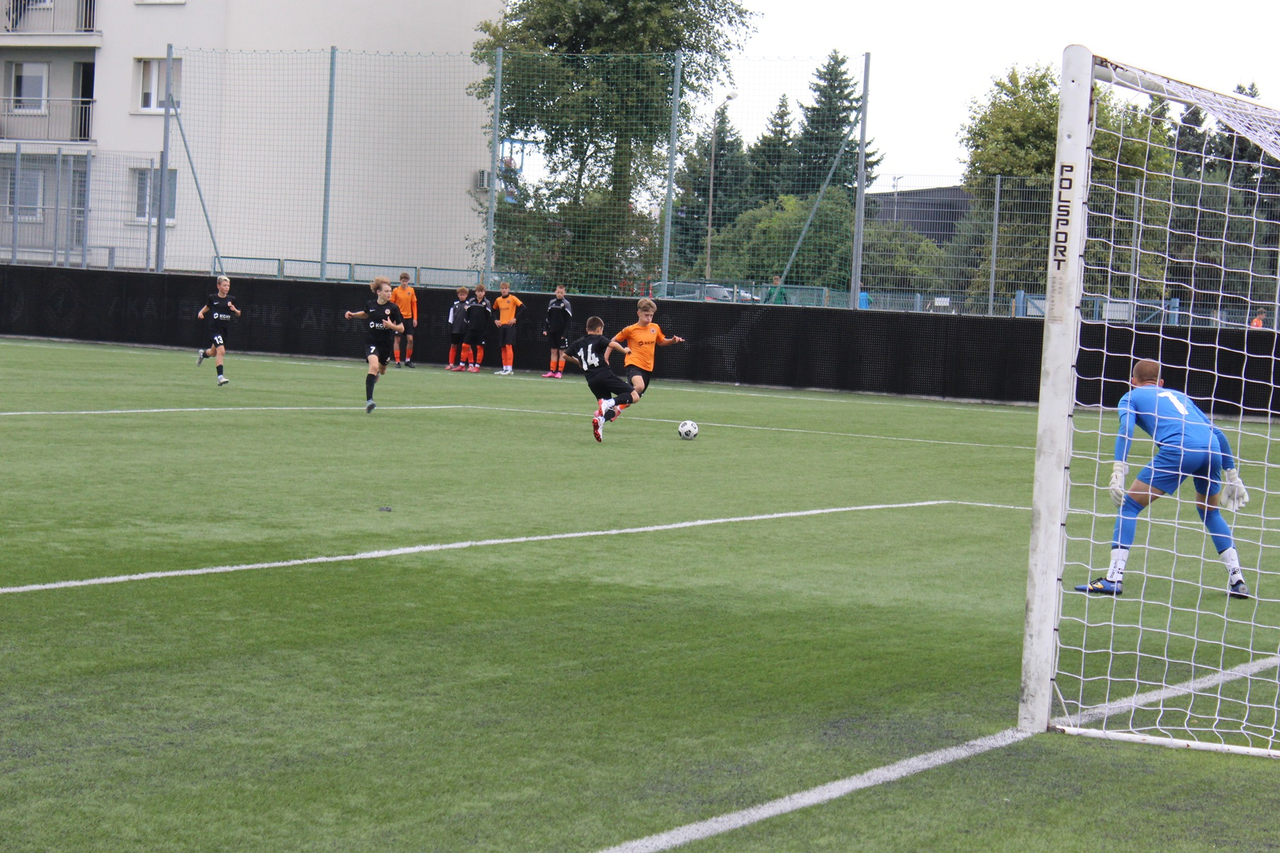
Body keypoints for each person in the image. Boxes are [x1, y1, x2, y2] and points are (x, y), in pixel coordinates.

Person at [1077, 358, 1251, 598]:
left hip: (1179, 449)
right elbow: (1218, 432)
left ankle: (1113, 578)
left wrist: (1118, 469)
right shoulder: (1180, 396)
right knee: (1211, 513)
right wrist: (1232, 476)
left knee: (1129, 506)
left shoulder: (1130, 396)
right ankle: (1237, 580)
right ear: (1160, 382)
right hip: (1212, 449)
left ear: (1133, 381)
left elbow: (1126, 429)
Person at [563, 316, 639, 443]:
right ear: (599, 329)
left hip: (591, 380)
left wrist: (578, 362)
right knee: (634, 396)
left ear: (587, 329)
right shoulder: (599, 338)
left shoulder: (578, 343)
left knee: (611, 410)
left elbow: (565, 355)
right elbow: (613, 344)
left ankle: (600, 421)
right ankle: (607, 403)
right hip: (604, 375)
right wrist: (624, 350)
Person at [344, 277, 404, 412]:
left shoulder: (393, 308)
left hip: (386, 344)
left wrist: (391, 326)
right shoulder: (371, 305)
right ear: (378, 292)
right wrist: (353, 315)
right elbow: (366, 315)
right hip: (372, 342)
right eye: (386, 291)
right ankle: (369, 401)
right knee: (373, 366)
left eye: (390, 291)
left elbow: (401, 328)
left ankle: (376, 375)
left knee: (382, 370)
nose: (389, 293)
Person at [611, 297, 684, 400]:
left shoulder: (655, 327)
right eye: (646, 315)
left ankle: (611, 406)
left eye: (651, 315)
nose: (649, 318)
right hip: (633, 363)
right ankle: (610, 403)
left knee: (634, 398)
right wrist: (606, 357)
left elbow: (661, 342)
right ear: (639, 313)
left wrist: (672, 341)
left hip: (648, 367)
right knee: (639, 386)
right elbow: (612, 341)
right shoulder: (630, 329)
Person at [196, 275, 241, 386]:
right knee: (221, 351)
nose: (227, 288)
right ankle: (220, 377)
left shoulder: (231, 299)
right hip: (214, 330)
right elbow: (207, 306)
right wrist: (201, 312)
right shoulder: (213, 298)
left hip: (224, 331)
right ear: (218, 286)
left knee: (213, 352)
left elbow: (238, 313)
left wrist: (234, 309)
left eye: (228, 286)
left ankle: (203, 354)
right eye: (224, 285)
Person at [491, 280, 524, 375]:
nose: (504, 290)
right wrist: (495, 320)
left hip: (510, 326)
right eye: (502, 288)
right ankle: (504, 368)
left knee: (508, 346)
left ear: (508, 289)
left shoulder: (512, 298)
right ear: (500, 289)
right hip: (502, 325)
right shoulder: (498, 300)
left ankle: (510, 368)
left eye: (506, 288)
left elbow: (523, 307)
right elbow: (493, 310)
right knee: (502, 347)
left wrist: (515, 319)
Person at [542, 284, 572, 378]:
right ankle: (552, 370)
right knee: (553, 351)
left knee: (562, 352)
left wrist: (565, 333)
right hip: (552, 331)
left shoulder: (566, 304)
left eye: (561, 293)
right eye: (558, 292)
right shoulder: (552, 303)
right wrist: (545, 328)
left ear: (564, 293)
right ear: (555, 292)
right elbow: (548, 317)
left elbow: (568, 321)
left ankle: (560, 371)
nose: (559, 294)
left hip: (561, 332)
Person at [390, 272, 418, 367]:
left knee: (410, 339)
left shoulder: (411, 290)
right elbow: (392, 305)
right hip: (398, 318)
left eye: (406, 281)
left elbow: (414, 305)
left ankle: (407, 360)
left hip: (408, 318)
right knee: (397, 339)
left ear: (408, 281)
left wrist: (415, 318)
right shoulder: (396, 291)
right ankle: (397, 361)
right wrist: (393, 318)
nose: (404, 283)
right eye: (403, 281)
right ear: (400, 281)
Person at [462, 283, 492, 372]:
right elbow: (467, 314)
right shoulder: (471, 301)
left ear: (484, 293)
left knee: (479, 347)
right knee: (465, 345)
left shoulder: (486, 303)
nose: (480, 293)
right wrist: (467, 324)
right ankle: (462, 365)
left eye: (481, 291)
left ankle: (477, 366)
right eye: (478, 291)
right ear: (475, 292)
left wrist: (486, 330)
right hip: (471, 328)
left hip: (481, 329)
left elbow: (488, 318)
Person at [446, 286, 470, 371]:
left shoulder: (469, 305)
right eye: (460, 295)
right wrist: (450, 328)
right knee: (453, 345)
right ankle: (451, 364)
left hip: (465, 330)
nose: (462, 296)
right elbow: (451, 318)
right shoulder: (454, 305)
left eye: (463, 295)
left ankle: (471, 365)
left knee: (467, 346)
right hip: (455, 329)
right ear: (458, 295)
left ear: (466, 295)